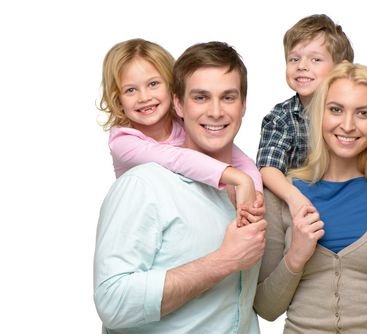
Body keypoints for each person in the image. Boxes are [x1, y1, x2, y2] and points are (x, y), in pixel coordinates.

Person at [94, 41, 266, 333]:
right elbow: (112, 303)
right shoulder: (142, 182)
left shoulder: (244, 193)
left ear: (243, 105)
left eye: (228, 97)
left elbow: (256, 303)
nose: (215, 112)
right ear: (179, 103)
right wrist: (222, 262)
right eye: (200, 97)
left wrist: (253, 189)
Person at [254, 62, 367, 333]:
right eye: (336, 110)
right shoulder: (281, 196)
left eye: (363, 113)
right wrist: (296, 256)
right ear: (319, 113)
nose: (347, 125)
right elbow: (266, 309)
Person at [256, 14, 367, 228]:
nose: (302, 66)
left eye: (315, 59)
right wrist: (295, 199)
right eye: (294, 59)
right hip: (298, 212)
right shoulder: (282, 117)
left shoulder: (360, 107)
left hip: (347, 207)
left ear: (342, 68)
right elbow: (267, 167)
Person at [97, 38, 263, 225]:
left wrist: (255, 195)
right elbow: (177, 159)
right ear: (117, 99)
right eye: (130, 90)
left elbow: (239, 158)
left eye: (153, 84)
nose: (144, 97)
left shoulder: (182, 122)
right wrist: (237, 177)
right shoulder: (123, 141)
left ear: (171, 86)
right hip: (145, 221)